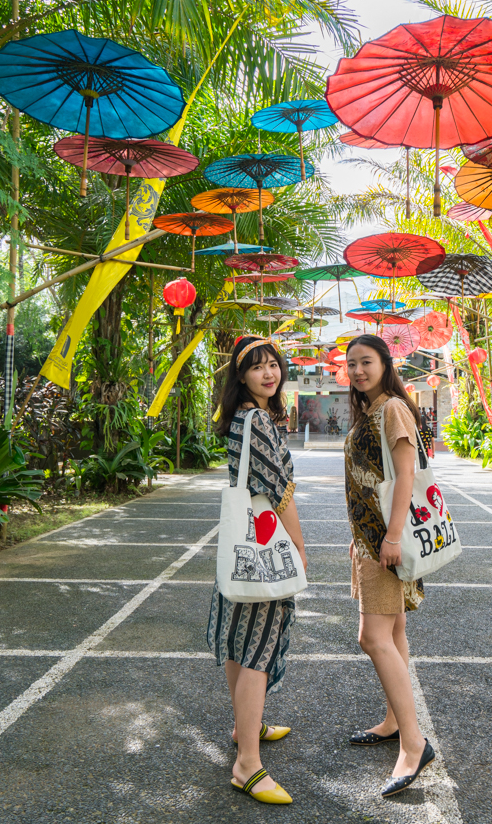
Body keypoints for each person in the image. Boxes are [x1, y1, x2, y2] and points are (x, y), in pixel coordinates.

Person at [207, 336, 309, 805]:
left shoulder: (239, 417)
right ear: (241, 375)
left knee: (239, 638)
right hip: (265, 545)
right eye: (257, 367)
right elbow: (280, 492)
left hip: (241, 543)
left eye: (274, 365)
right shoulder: (259, 420)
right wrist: (300, 548)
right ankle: (247, 764)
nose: (270, 373)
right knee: (258, 649)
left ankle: (244, 726)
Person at [342, 334, 437, 798]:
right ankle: (395, 722)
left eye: (366, 362)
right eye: (352, 364)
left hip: (385, 542)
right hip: (371, 540)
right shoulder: (371, 410)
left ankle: (414, 746)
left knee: (372, 637)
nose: (358, 371)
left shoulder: (393, 408)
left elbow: (406, 475)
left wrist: (394, 536)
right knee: (394, 632)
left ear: (385, 363)